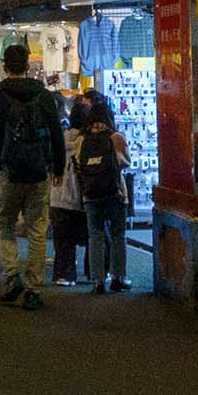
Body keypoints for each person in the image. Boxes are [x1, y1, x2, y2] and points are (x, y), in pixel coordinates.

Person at [0, 44, 64, 310]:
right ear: (28, 66)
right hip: (39, 172)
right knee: (37, 230)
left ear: (5, 66)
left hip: (8, 171)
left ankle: (11, 276)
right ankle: (33, 288)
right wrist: (58, 168)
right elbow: (55, 133)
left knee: (5, 224)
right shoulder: (43, 95)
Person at [77, 103, 131, 293]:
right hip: (116, 193)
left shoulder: (82, 140)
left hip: (91, 194)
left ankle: (98, 281)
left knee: (95, 237)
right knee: (118, 235)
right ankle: (118, 278)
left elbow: (79, 164)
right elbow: (126, 162)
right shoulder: (116, 137)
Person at [50, 98, 92, 286]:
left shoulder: (60, 138)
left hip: (59, 196)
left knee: (63, 240)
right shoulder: (89, 141)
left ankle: (64, 275)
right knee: (93, 235)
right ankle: (95, 270)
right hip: (84, 196)